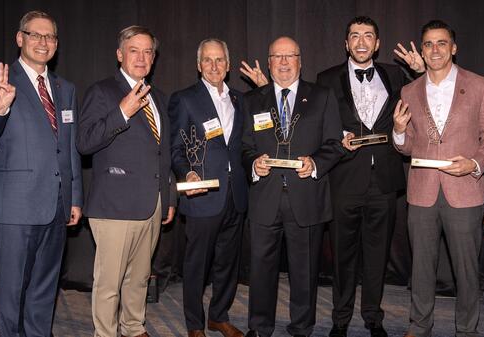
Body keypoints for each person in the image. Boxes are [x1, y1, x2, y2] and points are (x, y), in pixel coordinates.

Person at [315, 16, 424, 337]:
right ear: (346, 43)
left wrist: (419, 70)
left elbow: (431, 94)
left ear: (377, 44)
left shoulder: (395, 74)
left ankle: (373, 317)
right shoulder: (326, 79)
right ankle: (340, 319)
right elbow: (315, 125)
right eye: (354, 36)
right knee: (342, 257)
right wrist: (335, 141)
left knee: (378, 254)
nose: (361, 42)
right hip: (344, 180)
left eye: (368, 36)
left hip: (384, 181)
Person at [392, 20, 484, 337]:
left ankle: (466, 329)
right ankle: (420, 324)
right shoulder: (409, 90)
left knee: (466, 270)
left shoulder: (480, 85)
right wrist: (397, 130)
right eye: (428, 44)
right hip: (421, 193)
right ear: (422, 50)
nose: (434, 49)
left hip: (464, 191)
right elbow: (407, 145)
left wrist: (474, 165)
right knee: (421, 267)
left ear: (453, 47)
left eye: (441, 43)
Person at [0, 10, 83, 337]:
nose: (43, 42)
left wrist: (75, 197)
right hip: (16, 209)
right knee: (12, 293)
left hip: (56, 206)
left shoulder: (65, 88)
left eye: (50, 37)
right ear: (20, 38)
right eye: (36, 35)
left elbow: (68, 148)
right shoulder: (1, 83)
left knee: (44, 291)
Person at [77, 25, 176, 337]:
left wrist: (169, 197)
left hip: (152, 203)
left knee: (139, 277)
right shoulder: (102, 91)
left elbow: (164, 153)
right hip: (114, 206)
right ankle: (104, 333)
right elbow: (85, 142)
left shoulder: (158, 96)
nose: (142, 57)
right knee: (110, 283)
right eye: (134, 50)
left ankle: (134, 328)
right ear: (120, 54)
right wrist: (121, 113)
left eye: (148, 52)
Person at [241, 36, 343, 337]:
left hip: (306, 196)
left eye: (290, 56)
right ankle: (259, 328)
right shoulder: (252, 100)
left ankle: (302, 328)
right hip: (265, 197)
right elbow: (244, 146)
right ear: (269, 62)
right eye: (277, 56)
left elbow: (334, 144)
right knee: (260, 272)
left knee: (304, 272)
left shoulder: (322, 96)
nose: (284, 62)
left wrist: (315, 164)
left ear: (300, 60)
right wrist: (253, 164)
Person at [169, 38, 248, 337]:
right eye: (207, 60)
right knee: (197, 265)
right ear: (198, 64)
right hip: (202, 194)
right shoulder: (185, 99)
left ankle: (219, 316)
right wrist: (186, 173)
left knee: (228, 262)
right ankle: (194, 324)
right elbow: (176, 148)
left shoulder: (241, 100)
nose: (214, 66)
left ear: (228, 66)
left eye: (220, 61)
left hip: (235, 194)